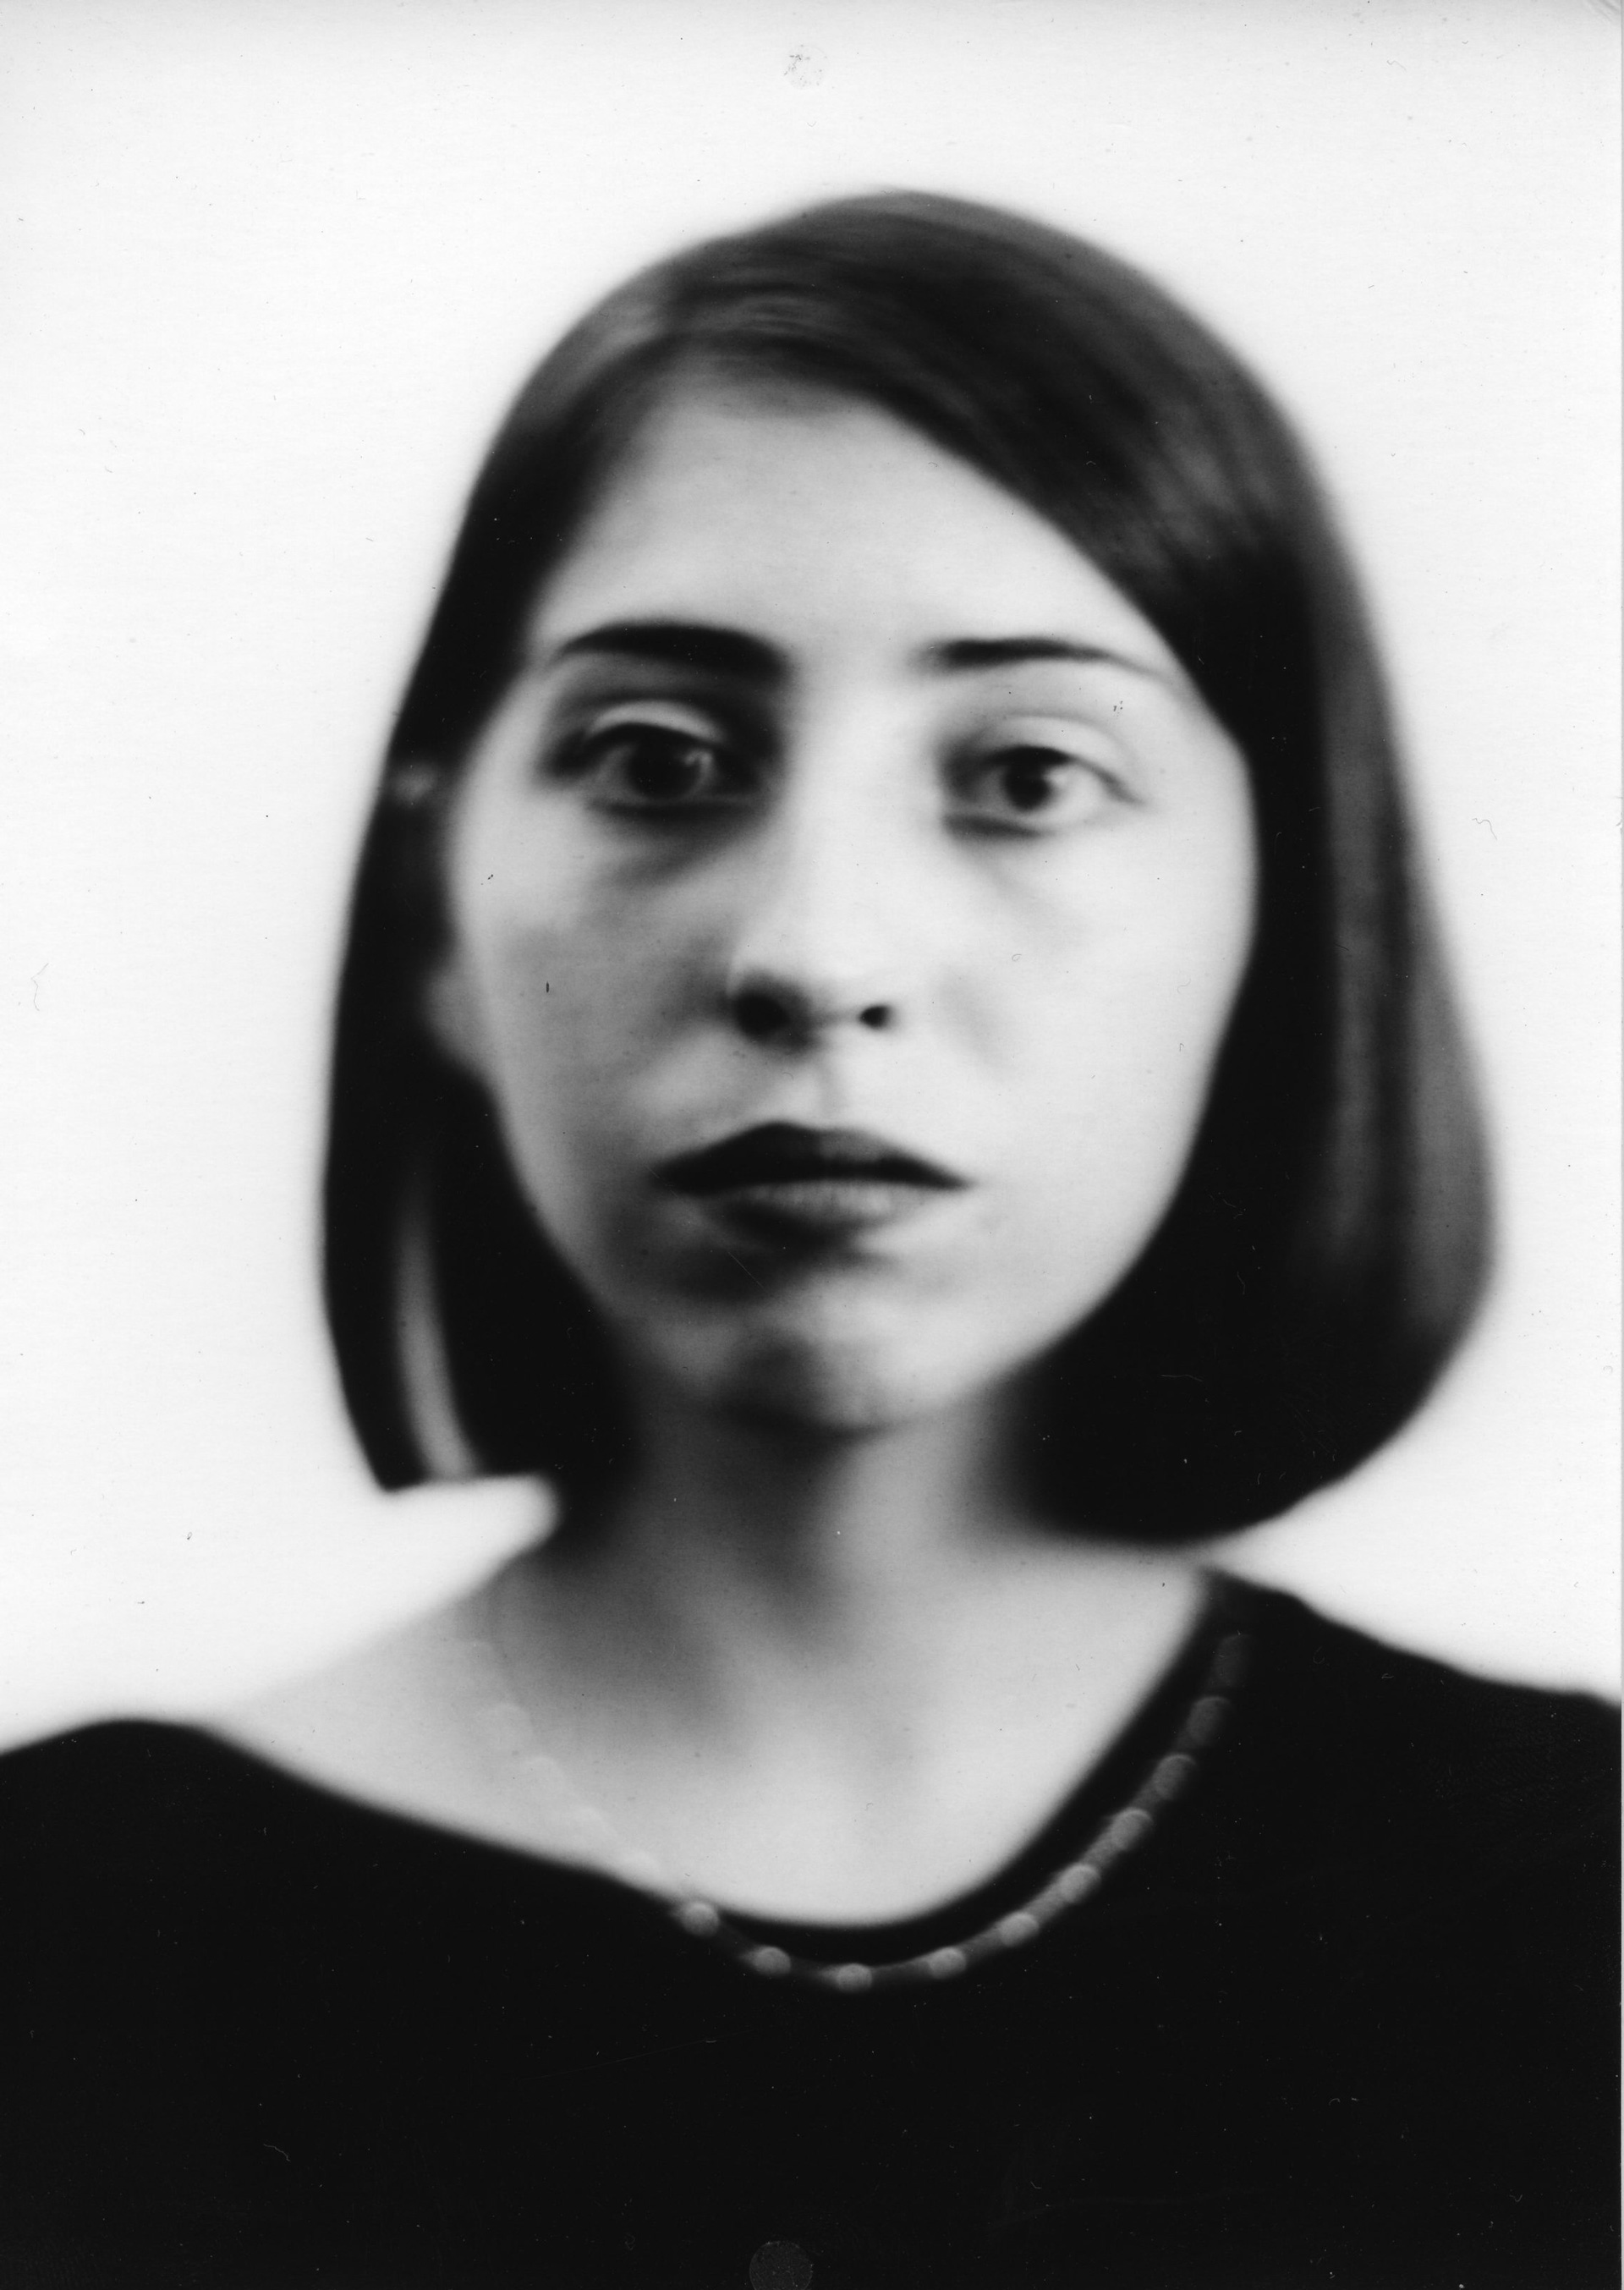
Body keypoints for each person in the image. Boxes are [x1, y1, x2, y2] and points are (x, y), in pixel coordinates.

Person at [0, 192, 1614, 2289]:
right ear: (434, 925)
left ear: (1285, 922)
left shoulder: (1575, 1899)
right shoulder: (65, 1945)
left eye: (1029, 775)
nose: (817, 950)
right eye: (659, 761)